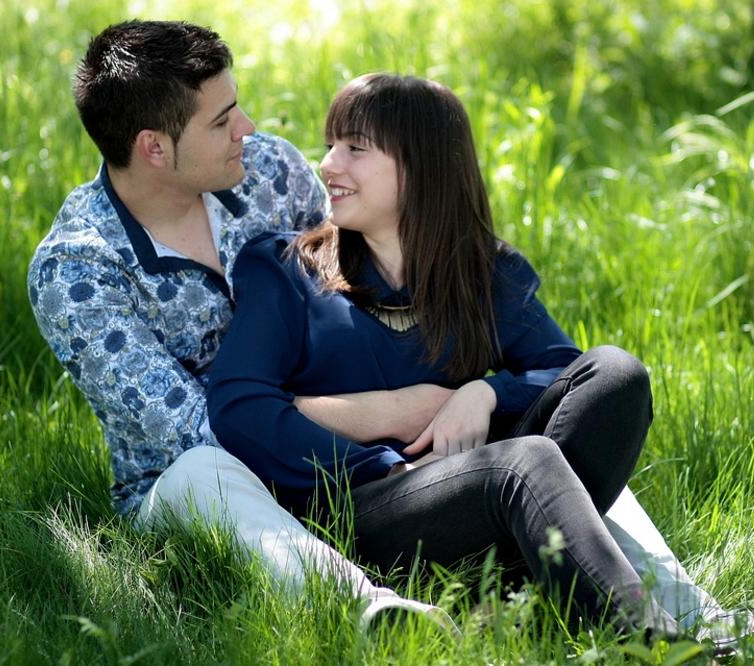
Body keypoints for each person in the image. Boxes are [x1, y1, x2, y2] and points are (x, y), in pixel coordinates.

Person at [28, 19, 754, 640]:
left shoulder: (266, 169)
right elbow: (213, 425)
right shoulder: (79, 270)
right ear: (154, 147)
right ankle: (376, 611)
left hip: (372, 455)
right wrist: (397, 424)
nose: (249, 130)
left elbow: (360, 272)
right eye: (222, 120)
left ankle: (678, 612)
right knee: (205, 475)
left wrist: (478, 392)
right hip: (221, 479)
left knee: (583, 406)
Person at [204, 74, 708, 637]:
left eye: (355, 148)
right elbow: (239, 407)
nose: (328, 165)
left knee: (616, 374)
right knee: (527, 459)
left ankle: (520, 592)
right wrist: (391, 460)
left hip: (477, 494)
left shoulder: (486, 272)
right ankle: (650, 640)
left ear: (422, 166)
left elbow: (566, 373)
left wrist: (484, 392)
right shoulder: (286, 268)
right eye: (330, 145)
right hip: (363, 509)